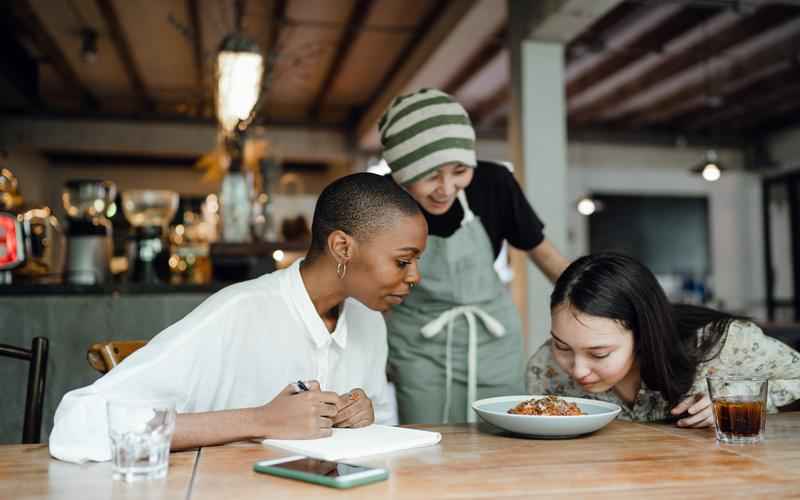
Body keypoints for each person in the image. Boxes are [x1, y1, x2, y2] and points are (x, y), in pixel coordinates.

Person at [49, 173, 427, 463]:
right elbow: (78, 424)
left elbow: (382, 431)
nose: (415, 277)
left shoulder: (369, 320)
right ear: (342, 247)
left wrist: (365, 415)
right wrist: (260, 420)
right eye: (403, 260)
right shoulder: (238, 312)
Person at [379, 88, 570, 424]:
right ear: (400, 173)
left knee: (504, 436)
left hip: (493, 341)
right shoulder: (379, 199)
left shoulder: (493, 183)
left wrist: (600, 306)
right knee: (426, 443)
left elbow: (546, 256)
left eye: (459, 170)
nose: (448, 187)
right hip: (416, 345)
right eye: (429, 175)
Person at [526, 253, 800, 426]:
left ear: (644, 332)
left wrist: (745, 398)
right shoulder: (546, 368)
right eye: (562, 346)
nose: (577, 370)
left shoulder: (725, 344)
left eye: (599, 354)